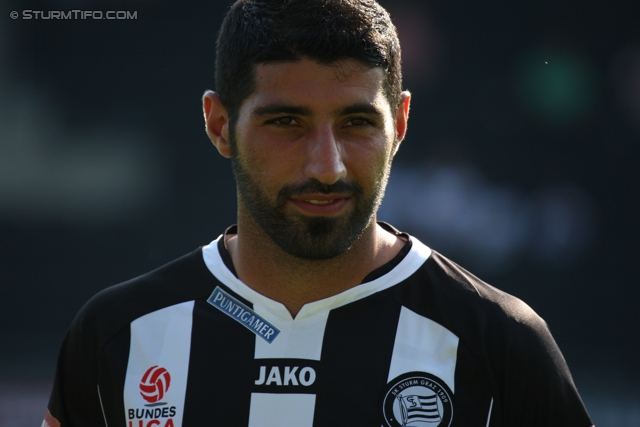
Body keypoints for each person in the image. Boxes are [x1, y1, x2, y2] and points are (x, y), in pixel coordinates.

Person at [43, 0, 594, 426]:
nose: (326, 166)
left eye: (357, 123)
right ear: (219, 125)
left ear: (399, 125)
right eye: (286, 122)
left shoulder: (503, 344)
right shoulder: (116, 336)